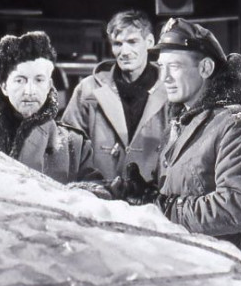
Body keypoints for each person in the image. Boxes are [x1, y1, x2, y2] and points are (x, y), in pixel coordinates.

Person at [125, 18, 241, 258]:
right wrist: (144, 192)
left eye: (175, 66)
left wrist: (161, 206)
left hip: (225, 266)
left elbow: (236, 208)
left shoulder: (237, 127)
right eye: (162, 67)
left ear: (205, 68)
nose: (165, 77)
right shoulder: (180, 124)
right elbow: (184, 187)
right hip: (187, 258)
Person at [0, 31, 101, 185]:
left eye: (39, 80)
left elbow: (93, 193)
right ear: (4, 86)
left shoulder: (75, 144)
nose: (30, 91)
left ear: (49, 86)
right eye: (20, 80)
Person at [62, 10, 167, 182]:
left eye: (132, 42)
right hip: (97, 194)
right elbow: (68, 151)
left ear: (149, 42)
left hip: (156, 195)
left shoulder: (171, 91)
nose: (124, 51)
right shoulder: (88, 90)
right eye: (118, 44)